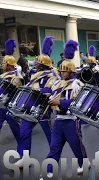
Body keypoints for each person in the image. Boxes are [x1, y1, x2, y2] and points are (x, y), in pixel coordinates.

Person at [41, 40, 89, 179]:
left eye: (64, 70)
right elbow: (48, 93)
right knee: (54, 148)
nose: (61, 72)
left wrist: (60, 102)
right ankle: (48, 170)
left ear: (71, 71)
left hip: (71, 120)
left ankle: (83, 163)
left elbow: (78, 102)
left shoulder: (76, 84)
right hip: (59, 120)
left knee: (76, 146)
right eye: (61, 69)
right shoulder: (56, 82)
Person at [14, 36, 60, 168]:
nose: (36, 64)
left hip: (44, 109)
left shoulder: (53, 75)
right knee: (24, 131)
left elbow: (52, 90)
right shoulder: (34, 74)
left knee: (51, 135)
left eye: (38, 62)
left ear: (43, 64)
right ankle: (25, 157)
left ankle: (54, 157)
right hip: (31, 107)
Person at [0, 39, 24, 143]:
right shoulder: (2, 75)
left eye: (4, 62)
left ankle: (23, 152)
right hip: (1, 106)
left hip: (10, 107)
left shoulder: (16, 76)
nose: (2, 64)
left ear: (10, 64)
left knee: (17, 131)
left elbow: (16, 91)